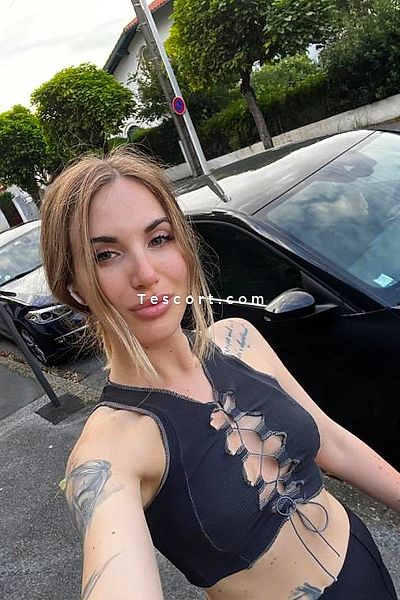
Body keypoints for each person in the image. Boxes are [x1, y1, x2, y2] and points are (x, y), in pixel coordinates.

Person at [40, 147, 399, 600]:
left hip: (366, 561)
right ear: (74, 285)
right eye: (106, 255)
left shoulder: (238, 339)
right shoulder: (112, 447)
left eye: (159, 239)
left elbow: (336, 445)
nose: (146, 274)